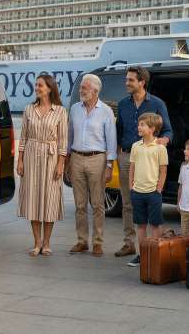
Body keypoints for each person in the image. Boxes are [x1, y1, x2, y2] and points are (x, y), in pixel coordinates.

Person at [115, 66, 173, 259]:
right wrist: (116, 156)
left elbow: (168, 131)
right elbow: (118, 132)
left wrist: (162, 141)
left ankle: (152, 249)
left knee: (151, 204)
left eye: (130, 80)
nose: (126, 83)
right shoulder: (123, 104)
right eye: (126, 79)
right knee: (127, 202)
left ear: (142, 82)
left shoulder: (157, 103)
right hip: (127, 157)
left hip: (149, 157)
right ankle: (129, 244)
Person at [16, 75, 69, 257]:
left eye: (40, 85)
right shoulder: (29, 109)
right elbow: (22, 137)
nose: (36, 87)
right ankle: (37, 242)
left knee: (49, 199)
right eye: (36, 85)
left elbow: (63, 141)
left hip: (51, 157)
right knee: (33, 199)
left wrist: (61, 164)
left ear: (49, 88)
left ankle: (47, 242)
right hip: (31, 155)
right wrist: (20, 160)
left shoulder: (61, 111)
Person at [66, 74, 117, 257]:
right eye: (81, 87)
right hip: (77, 158)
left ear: (95, 91)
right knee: (80, 204)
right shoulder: (74, 109)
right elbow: (69, 136)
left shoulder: (106, 111)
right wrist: (67, 161)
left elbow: (111, 140)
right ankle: (81, 241)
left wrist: (110, 165)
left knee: (97, 204)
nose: (81, 90)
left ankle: (97, 242)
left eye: (84, 88)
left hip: (98, 159)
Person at [126, 112, 169, 267]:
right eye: (139, 124)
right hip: (137, 192)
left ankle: (156, 252)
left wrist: (159, 189)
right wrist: (131, 186)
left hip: (153, 193)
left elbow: (163, 170)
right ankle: (142, 254)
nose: (139, 127)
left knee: (155, 224)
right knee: (141, 224)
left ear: (152, 128)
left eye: (142, 125)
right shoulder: (135, 146)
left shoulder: (160, 148)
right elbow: (132, 167)